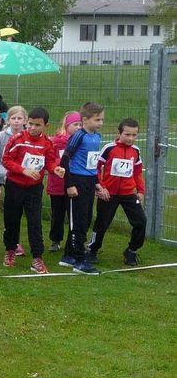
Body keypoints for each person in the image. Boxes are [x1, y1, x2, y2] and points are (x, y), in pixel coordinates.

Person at [1, 107, 64, 274]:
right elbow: (6, 160)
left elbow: (49, 161)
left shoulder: (48, 143)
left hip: (34, 189)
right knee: (12, 219)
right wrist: (22, 170)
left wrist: (55, 169)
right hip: (14, 186)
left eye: (38, 125)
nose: (33, 128)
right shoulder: (18, 139)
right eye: (30, 124)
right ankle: (10, 250)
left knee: (35, 222)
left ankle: (37, 257)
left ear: (46, 125)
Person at [88, 118, 146, 267]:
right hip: (108, 194)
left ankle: (132, 251)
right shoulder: (109, 148)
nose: (131, 138)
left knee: (141, 221)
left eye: (134, 135)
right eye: (127, 134)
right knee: (102, 223)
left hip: (129, 194)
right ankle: (92, 250)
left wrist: (140, 190)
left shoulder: (136, 151)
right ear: (119, 133)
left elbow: (137, 173)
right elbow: (95, 168)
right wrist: (100, 187)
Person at [59, 102, 105, 275]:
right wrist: (69, 184)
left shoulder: (97, 137)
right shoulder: (79, 135)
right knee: (77, 221)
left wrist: (96, 183)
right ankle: (80, 261)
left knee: (85, 219)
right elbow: (65, 160)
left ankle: (68, 255)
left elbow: (92, 164)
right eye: (97, 119)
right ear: (85, 120)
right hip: (76, 181)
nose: (100, 123)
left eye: (102, 119)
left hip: (88, 182)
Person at [0, 106, 28, 239]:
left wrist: (18, 172)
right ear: (8, 120)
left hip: (16, 178)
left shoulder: (27, 137)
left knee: (13, 209)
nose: (16, 121)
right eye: (13, 118)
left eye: (19, 118)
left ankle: (12, 239)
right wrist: (5, 172)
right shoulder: (0, 136)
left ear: (25, 120)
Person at [47, 112, 81, 252]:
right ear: (66, 126)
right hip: (58, 184)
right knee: (57, 214)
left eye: (80, 124)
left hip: (74, 184)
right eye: (75, 124)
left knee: (75, 214)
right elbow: (50, 159)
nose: (78, 127)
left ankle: (75, 240)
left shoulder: (82, 141)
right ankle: (55, 240)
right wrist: (60, 165)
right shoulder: (58, 141)